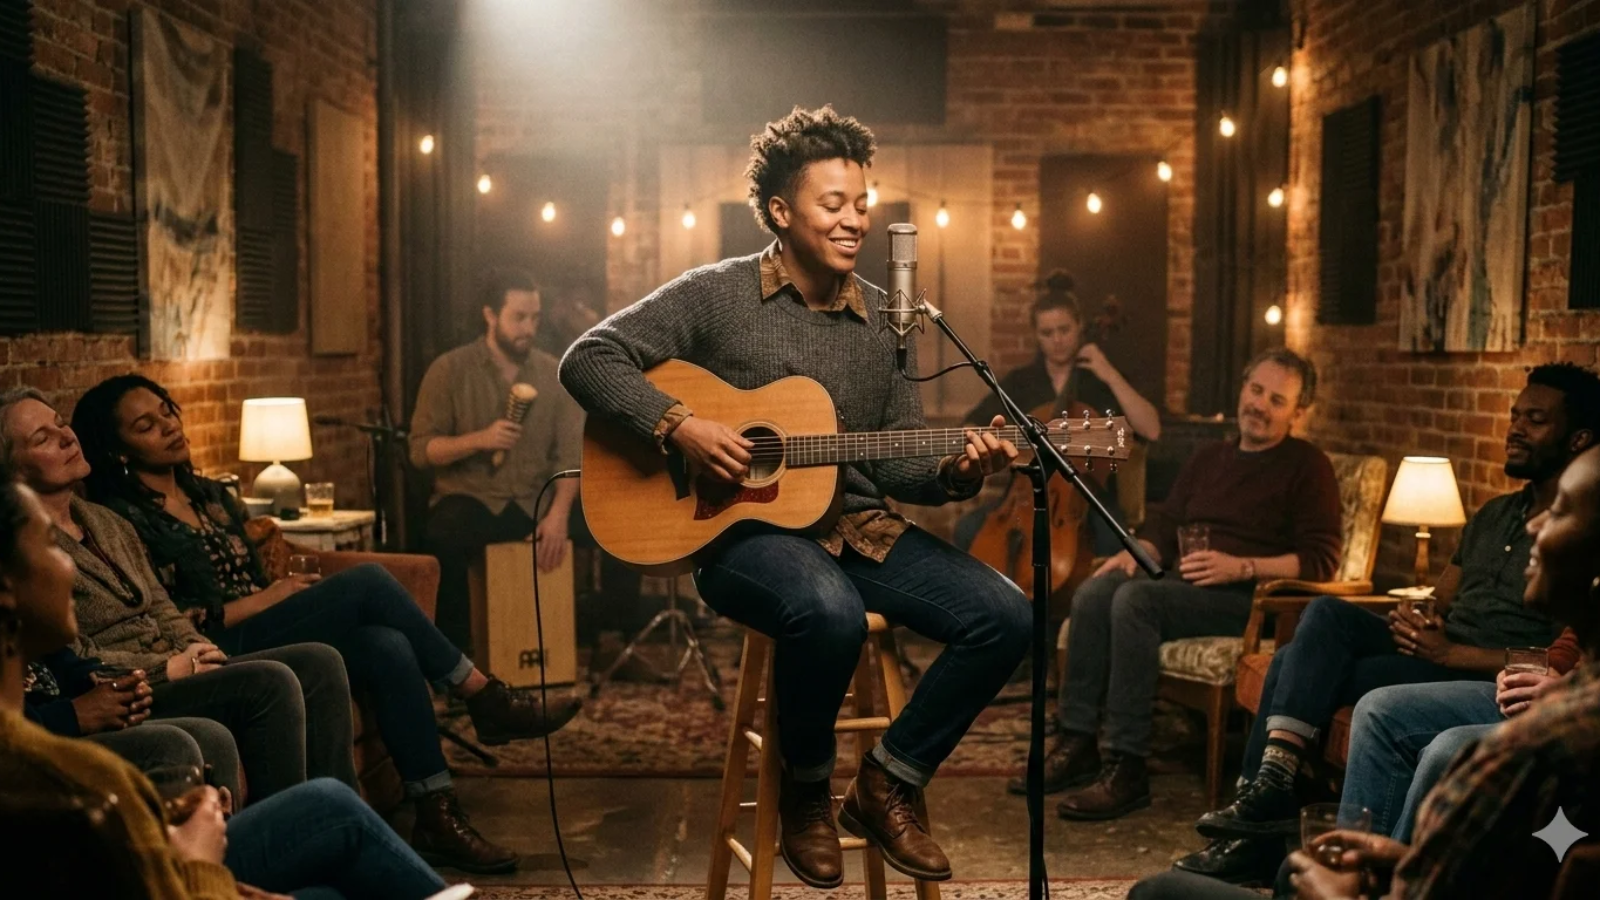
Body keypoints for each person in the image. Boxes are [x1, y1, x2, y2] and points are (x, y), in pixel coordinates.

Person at [559, 105, 1030, 888]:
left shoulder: (884, 317)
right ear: (781, 212)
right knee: (829, 612)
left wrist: (957, 471)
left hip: (852, 528)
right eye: (833, 205)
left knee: (1006, 615)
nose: (855, 221)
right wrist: (677, 426)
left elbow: (901, 464)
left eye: (862, 204)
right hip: (736, 539)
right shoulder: (716, 295)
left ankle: (887, 782)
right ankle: (806, 793)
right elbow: (588, 357)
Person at [71, 373, 582, 874]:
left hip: (266, 620)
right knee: (369, 583)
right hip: (215, 643)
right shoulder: (123, 519)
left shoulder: (211, 495)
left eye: (166, 411)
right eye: (145, 426)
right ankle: (481, 694)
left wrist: (275, 597)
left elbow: (250, 571)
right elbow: (169, 615)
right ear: (118, 451)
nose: (167, 426)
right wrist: (267, 599)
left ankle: (436, 812)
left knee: (384, 645)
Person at [1182, 363, 1599, 882]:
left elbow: (1553, 654)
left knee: (1296, 662)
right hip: (1438, 649)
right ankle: (1269, 792)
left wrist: (1449, 654)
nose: (1515, 428)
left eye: (1534, 420)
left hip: (1479, 670)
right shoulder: (1495, 514)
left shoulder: (1580, 537)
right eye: (1514, 415)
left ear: (1577, 438)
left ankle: (1263, 816)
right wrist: (1417, 614)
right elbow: (1440, 598)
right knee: (1326, 616)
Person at [0, 469, 453, 899]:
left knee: (378, 645)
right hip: (182, 675)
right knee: (329, 806)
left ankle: (430, 801)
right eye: (50, 547)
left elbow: (95, 652)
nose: (68, 567)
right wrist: (202, 861)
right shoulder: (68, 780)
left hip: (175, 660)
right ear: (6, 587)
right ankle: (471, 690)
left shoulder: (143, 514)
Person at [0, 387, 350, 805]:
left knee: (321, 659)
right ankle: (293, 836)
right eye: (43, 438)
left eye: (61, 424)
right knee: (269, 682)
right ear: (12, 470)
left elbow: (162, 605)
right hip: (139, 678)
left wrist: (195, 647)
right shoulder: (30, 552)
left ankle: (334, 819)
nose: (66, 437)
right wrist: (170, 667)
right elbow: (78, 655)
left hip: (181, 658)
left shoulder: (107, 521)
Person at [1038, 348, 1342, 822]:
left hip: (1248, 600)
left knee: (1136, 601)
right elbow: (1166, 527)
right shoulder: (1210, 458)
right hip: (1188, 587)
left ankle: (1127, 764)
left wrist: (1241, 566)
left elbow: (1322, 561)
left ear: (1298, 413)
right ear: (1243, 389)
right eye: (1256, 390)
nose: (1260, 405)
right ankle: (1078, 740)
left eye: (1277, 400)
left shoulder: (1308, 466)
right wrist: (1135, 552)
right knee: (1097, 590)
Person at [409, 267, 585, 657]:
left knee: (612, 525)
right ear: (490, 315)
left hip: (533, 500)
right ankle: (456, 660)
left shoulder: (552, 373)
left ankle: (595, 639)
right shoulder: (450, 370)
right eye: (518, 317)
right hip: (473, 497)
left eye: (535, 318)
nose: (529, 328)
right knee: (442, 535)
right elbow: (422, 451)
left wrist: (557, 516)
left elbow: (571, 455)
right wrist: (479, 440)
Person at [952, 272, 1161, 556]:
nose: (1058, 340)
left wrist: (1109, 373)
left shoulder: (1099, 380)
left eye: (1065, 329)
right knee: (966, 530)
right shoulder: (1022, 382)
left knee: (1114, 544)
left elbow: (1151, 429)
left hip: (1089, 501)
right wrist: (997, 449)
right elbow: (971, 424)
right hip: (1024, 500)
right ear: (1037, 336)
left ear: (1079, 327)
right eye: (1047, 333)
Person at [1341, 626, 1580, 841]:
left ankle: (1398, 879)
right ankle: (1353, 871)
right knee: (1377, 709)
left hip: (1583, 707)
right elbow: (1576, 640)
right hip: (1561, 691)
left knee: (1448, 748)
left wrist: (1576, 689)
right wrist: (1544, 669)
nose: (1529, 572)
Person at [25, 645, 244, 802]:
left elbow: (65, 662)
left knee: (214, 739)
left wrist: (107, 683)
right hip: (39, 739)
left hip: (67, 709)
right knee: (170, 746)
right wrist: (73, 714)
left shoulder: (30, 624)